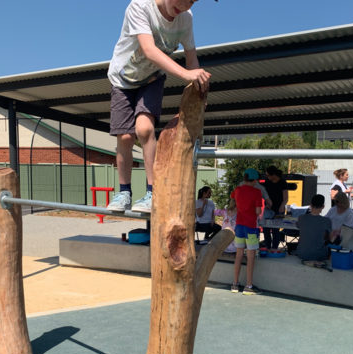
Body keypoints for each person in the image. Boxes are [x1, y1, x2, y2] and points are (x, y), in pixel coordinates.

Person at [106, 0, 212, 213]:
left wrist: (199, 87)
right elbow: (149, 50)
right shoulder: (140, 6)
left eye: (192, 1)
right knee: (125, 137)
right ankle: (124, 192)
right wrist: (185, 74)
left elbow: (192, 58)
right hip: (122, 79)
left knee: (144, 129)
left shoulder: (186, 18)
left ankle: (152, 192)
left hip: (152, 79)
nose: (184, 6)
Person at [230, 168, 263, 295]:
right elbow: (258, 211)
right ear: (255, 180)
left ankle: (235, 284)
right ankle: (248, 286)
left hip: (239, 226)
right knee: (250, 257)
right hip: (251, 227)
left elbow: (232, 196)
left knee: (238, 255)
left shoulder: (238, 190)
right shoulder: (257, 192)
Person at [296, 194, 332, 262]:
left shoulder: (301, 218)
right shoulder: (327, 221)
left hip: (301, 253)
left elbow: (298, 225)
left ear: (310, 205)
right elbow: (330, 238)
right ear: (323, 206)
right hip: (319, 255)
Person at [261, 165, 288, 249]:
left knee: (276, 230)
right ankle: (268, 246)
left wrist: (282, 206)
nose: (267, 177)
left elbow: (286, 198)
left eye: (268, 175)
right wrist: (267, 203)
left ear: (273, 175)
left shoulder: (283, 182)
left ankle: (275, 248)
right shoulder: (267, 182)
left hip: (279, 209)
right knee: (266, 229)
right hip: (268, 209)